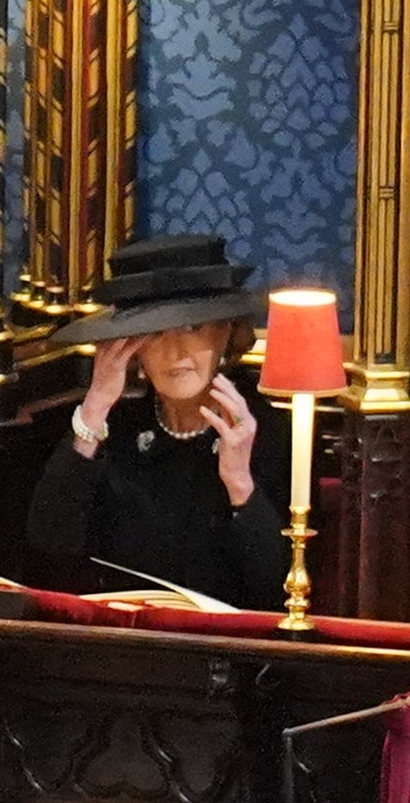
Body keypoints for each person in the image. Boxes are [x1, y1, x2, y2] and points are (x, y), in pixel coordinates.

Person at [27, 235, 295, 608]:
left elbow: (277, 589)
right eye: (154, 334)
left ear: (226, 331)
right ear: (129, 347)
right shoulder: (114, 427)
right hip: (126, 646)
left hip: (226, 652)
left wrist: (239, 483)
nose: (174, 353)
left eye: (191, 328)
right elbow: (49, 545)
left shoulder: (269, 431)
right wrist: (94, 409)